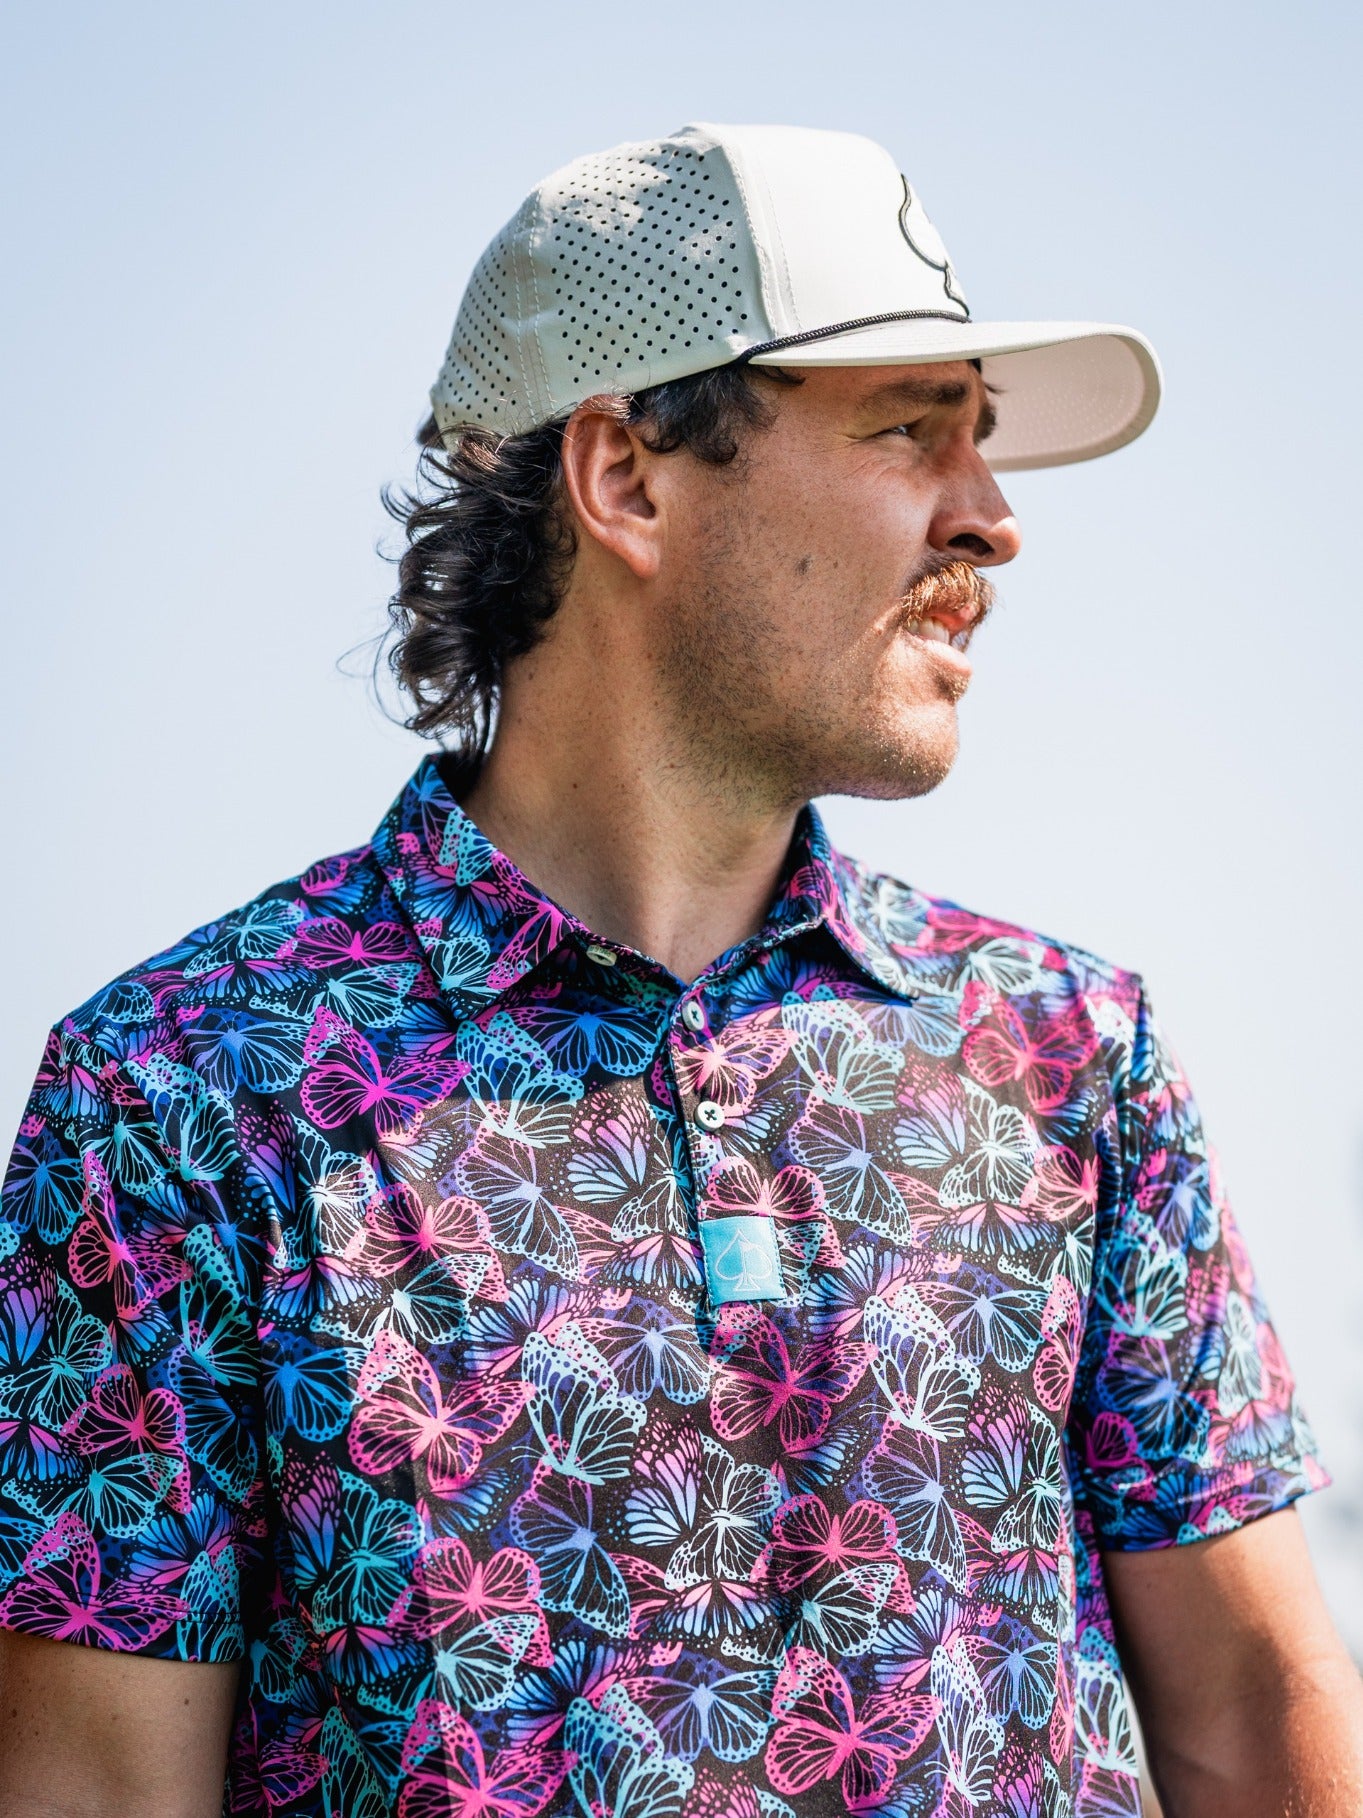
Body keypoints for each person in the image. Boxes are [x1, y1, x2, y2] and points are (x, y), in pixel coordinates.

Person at [0, 123, 1358, 1818]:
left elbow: (1251, 1700)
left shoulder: (1069, 1055)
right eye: (909, 431)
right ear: (628, 478)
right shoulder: (179, 1092)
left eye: (982, 440)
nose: (992, 519)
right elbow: (99, 1791)